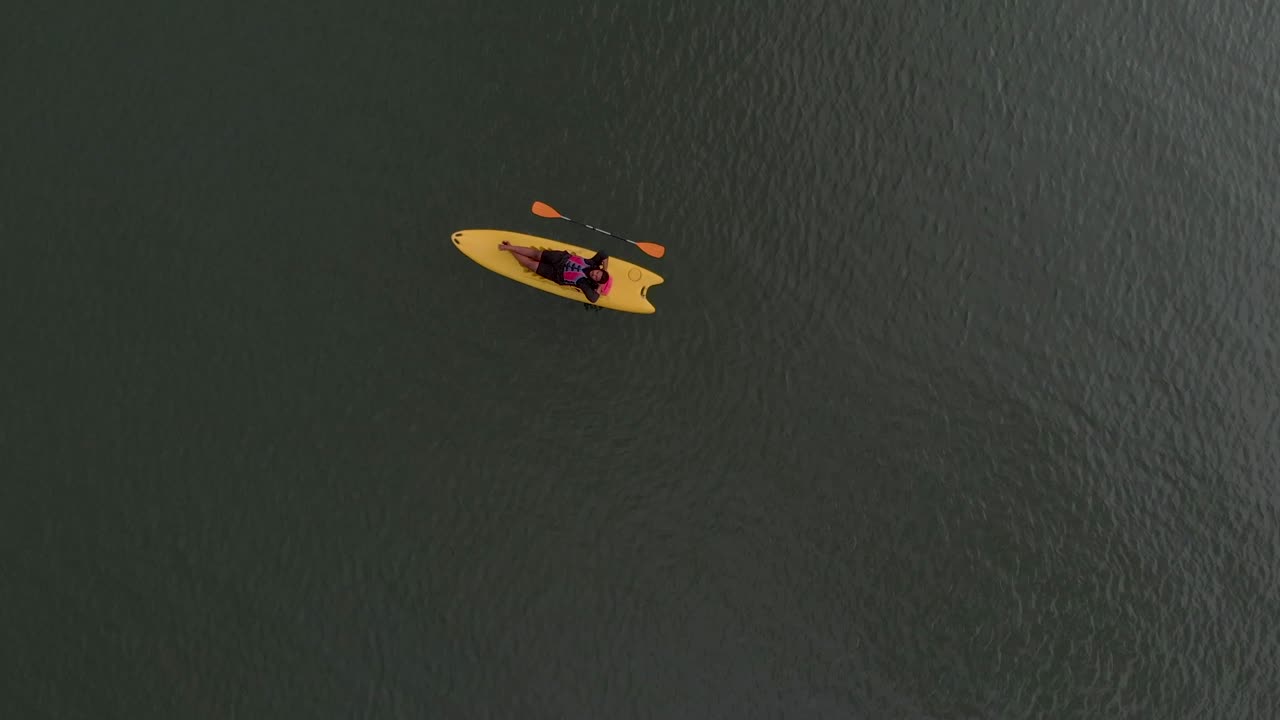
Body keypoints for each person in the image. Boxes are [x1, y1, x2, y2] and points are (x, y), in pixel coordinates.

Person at [498, 240, 611, 303]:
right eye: (597, 272)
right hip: (561, 258)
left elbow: (593, 298)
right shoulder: (592, 263)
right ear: (598, 269)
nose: (594, 274)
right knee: (536, 254)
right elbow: (604, 254)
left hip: (556, 274)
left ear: (594, 280)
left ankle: (510, 249)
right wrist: (605, 270)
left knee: (531, 264)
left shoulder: (584, 283)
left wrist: (599, 286)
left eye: (596, 277)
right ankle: (510, 248)